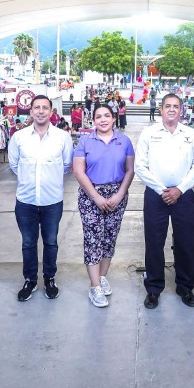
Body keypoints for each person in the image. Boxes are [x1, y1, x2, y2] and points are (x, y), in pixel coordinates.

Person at [134, 93, 194, 309]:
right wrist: (162, 190)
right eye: (168, 106)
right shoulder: (149, 133)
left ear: (181, 110)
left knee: (186, 243)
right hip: (156, 195)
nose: (172, 109)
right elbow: (140, 166)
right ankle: (153, 288)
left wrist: (180, 189)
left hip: (183, 195)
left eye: (175, 106)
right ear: (161, 109)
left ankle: (185, 287)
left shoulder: (190, 134)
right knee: (154, 243)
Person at [9, 94, 73, 302]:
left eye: (45, 107)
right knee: (28, 243)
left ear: (51, 112)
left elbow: (66, 165)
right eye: (37, 107)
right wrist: (29, 179)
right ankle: (30, 280)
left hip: (52, 201)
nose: (41, 111)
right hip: (25, 201)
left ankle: (49, 278)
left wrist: (48, 179)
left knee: (51, 242)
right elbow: (14, 164)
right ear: (31, 111)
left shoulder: (62, 137)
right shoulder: (19, 137)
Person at [72, 105, 135, 308]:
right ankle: (95, 286)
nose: (103, 119)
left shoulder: (124, 141)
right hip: (91, 195)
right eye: (98, 116)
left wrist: (120, 194)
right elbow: (78, 171)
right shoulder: (85, 141)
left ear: (114, 118)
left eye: (107, 115)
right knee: (93, 239)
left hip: (117, 194)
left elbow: (130, 170)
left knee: (109, 238)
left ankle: (102, 276)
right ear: (93, 120)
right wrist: (96, 197)